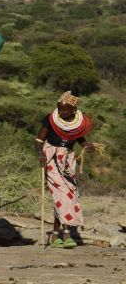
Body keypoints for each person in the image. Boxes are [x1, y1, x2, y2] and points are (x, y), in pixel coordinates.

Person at [35, 91, 98, 249]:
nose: (61, 112)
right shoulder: (50, 119)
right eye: (59, 109)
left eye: (65, 110)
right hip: (51, 158)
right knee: (63, 195)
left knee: (66, 196)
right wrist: (39, 153)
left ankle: (55, 236)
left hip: (68, 161)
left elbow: (80, 138)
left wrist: (87, 146)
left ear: (74, 110)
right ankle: (67, 234)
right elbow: (38, 140)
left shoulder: (78, 124)